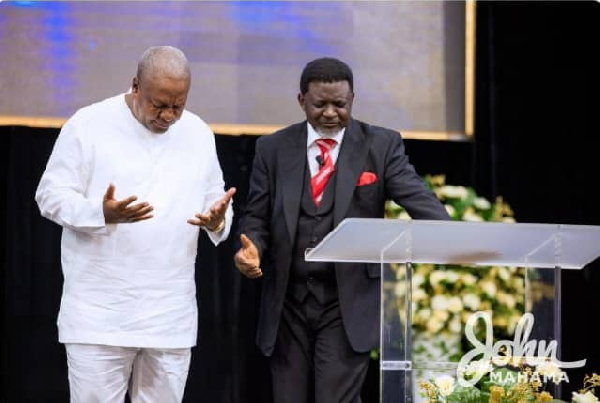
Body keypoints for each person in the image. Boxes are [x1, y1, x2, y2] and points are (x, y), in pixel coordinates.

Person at [234, 57, 450, 403]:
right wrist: (251, 249)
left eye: (340, 104)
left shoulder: (380, 145)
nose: (331, 113)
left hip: (346, 304)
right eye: (320, 104)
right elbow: (255, 217)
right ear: (301, 100)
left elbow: (418, 199)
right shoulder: (272, 149)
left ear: (353, 99)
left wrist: (454, 238)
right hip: (287, 304)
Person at [35, 45, 236, 403]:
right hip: (99, 315)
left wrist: (218, 220)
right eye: (159, 104)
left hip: (170, 315)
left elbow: (213, 197)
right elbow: (49, 195)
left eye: (178, 105)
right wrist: (101, 213)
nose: (169, 115)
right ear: (135, 87)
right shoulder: (89, 124)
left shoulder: (198, 133)